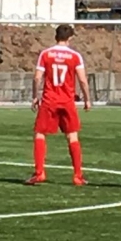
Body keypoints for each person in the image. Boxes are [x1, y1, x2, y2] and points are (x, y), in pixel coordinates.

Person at [25, 24, 92, 186]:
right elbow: (83, 80)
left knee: (40, 134)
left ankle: (39, 173)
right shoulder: (75, 56)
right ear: (70, 38)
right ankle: (77, 176)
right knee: (72, 136)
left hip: (49, 100)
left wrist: (35, 97)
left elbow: (37, 78)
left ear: (56, 36)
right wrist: (87, 99)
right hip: (67, 101)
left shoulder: (45, 54)